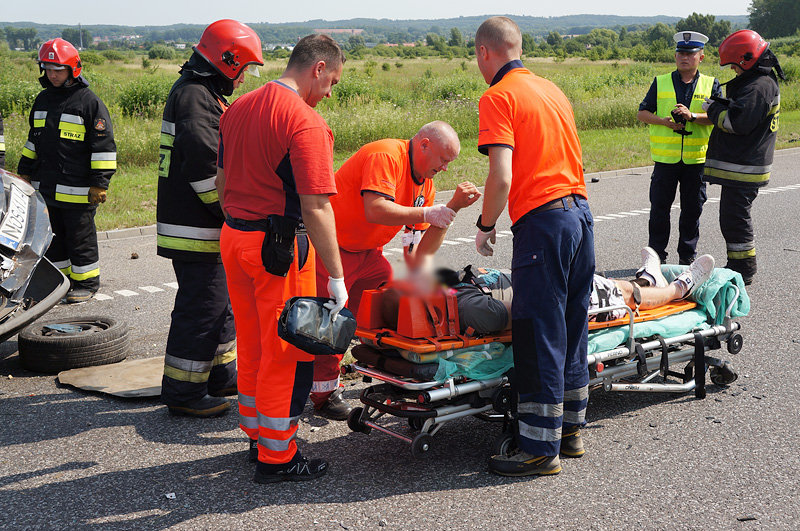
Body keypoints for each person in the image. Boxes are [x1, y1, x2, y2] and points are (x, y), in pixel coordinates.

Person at [216, 34, 348, 484]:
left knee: (251, 343)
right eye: (332, 80)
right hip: (279, 248)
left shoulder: (237, 108)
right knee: (287, 352)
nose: (330, 92)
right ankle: (278, 457)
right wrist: (337, 276)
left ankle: (257, 437)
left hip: (234, 236)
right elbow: (316, 206)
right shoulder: (305, 122)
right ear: (318, 68)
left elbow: (221, 179)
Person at [471, 16, 595, 477]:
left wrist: (485, 224)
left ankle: (539, 449)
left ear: (485, 52)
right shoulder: (551, 90)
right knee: (571, 324)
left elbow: (501, 175)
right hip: (580, 216)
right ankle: (570, 430)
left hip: (543, 222)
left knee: (538, 331)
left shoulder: (498, 96)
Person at [311, 122, 480, 419]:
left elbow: (418, 253)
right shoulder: (387, 155)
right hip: (332, 250)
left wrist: (449, 210)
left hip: (368, 254)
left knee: (391, 305)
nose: (445, 168)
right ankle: (323, 394)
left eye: (449, 162)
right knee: (329, 321)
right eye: (443, 159)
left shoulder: (425, 186)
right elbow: (375, 208)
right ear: (424, 144)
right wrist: (430, 213)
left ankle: (392, 371)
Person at [157, 20, 264, 418]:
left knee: (220, 305)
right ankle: (184, 393)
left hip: (204, 225)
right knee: (202, 307)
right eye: (243, 68)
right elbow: (205, 170)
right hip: (196, 226)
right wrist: (237, 215)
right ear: (227, 60)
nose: (243, 79)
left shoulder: (202, 94)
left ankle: (218, 375)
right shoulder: (196, 97)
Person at [17, 38, 116, 303]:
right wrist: (24, 173)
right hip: (46, 189)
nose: (52, 74)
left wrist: (100, 183)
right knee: (54, 239)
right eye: (48, 69)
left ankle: (87, 284)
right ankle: (62, 284)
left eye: (58, 69)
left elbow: (103, 147)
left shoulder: (89, 102)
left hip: (78, 190)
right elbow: (32, 142)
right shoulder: (43, 100)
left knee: (80, 237)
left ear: (73, 69)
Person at [446, 249, 715, 337]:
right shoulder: (472, 309)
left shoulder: (455, 286)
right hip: (556, 302)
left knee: (611, 284)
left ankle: (648, 278)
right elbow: (528, 313)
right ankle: (680, 287)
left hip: (545, 283)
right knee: (624, 294)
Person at [703, 30, 783, 286]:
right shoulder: (759, 83)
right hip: (744, 165)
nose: (734, 71)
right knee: (733, 217)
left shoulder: (758, 86)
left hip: (745, 167)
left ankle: (743, 268)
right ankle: (739, 264)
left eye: (735, 66)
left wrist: (714, 110)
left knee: (735, 219)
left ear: (746, 61)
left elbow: (737, 124)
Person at [636, 31, 722, 265]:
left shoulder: (711, 83)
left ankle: (687, 257)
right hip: (666, 160)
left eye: (690, 54)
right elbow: (642, 113)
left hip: (696, 160)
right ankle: (656, 257)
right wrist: (664, 121)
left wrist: (692, 115)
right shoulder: (661, 81)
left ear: (701, 57)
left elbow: (718, 116)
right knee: (659, 211)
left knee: (692, 211)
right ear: (675, 56)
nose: (684, 57)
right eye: (680, 53)